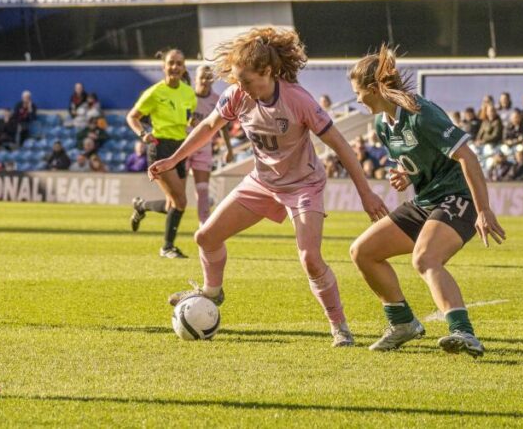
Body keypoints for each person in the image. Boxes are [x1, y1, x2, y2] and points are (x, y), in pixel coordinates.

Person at [154, 27, 390, 348]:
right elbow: (209, 127)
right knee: (205, 237)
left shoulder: (297, 100)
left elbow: (341, 146)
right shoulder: (237, 95)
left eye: (247, 80)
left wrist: (366, 192)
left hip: (304, 186)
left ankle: (340, 327)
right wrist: (172, 159)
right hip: (262, 182)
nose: (242, 88)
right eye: (238, 81)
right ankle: (212, 291)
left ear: (266, 72)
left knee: (310, 258)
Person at [347, 45, 505, 356]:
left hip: (458, 198)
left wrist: (483, 210)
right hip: (427, 200)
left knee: (425, 259)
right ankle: (402, 323)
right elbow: (417, 157)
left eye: (358, 92)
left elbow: (467, 156)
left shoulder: (421, 113)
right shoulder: (381, 124)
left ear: (375, 89)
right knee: (362, 251)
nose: (357, 99)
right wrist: (406, 174)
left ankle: (464, 333)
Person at [127, 48, 197, 259]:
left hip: (180, 148)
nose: (175, 67)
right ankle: (167, 247)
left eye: (179, 63)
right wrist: (142, 134)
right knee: (181, 202)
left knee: (172, 205)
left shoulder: (188, 93)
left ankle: (141, 206)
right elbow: (133, 116)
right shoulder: (155, 92)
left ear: (184, 67)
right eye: (171, 63)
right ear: (163, 66)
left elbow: (188, 118)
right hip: (160, 148)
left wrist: (195, 125)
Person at [187, 65, 234, 225]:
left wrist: (228, 148)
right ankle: (145, 206)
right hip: (183, 147)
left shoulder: (217, 100)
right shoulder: (187, 96)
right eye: (202, 77)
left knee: (202, 189)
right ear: (195, 79)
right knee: (176, 196)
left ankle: (204, 227)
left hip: (204, 149)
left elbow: (222, 126)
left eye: (209, 77)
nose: (205, 81)